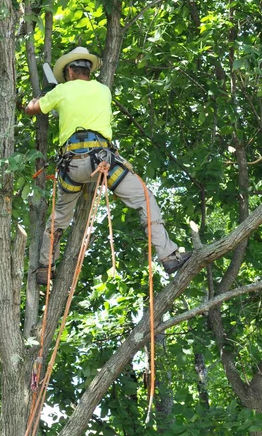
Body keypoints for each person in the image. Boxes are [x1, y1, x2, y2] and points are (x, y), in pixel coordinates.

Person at [25, 46, 191, 285]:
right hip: (103, 163)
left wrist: (43, 97)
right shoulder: (104, 90)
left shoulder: (61, 91)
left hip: (72, 167)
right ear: (88, 70)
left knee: (59, 218)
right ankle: (168, 256)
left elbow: (33, 109)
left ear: (70, 71)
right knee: (145, 198)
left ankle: (44, 267)